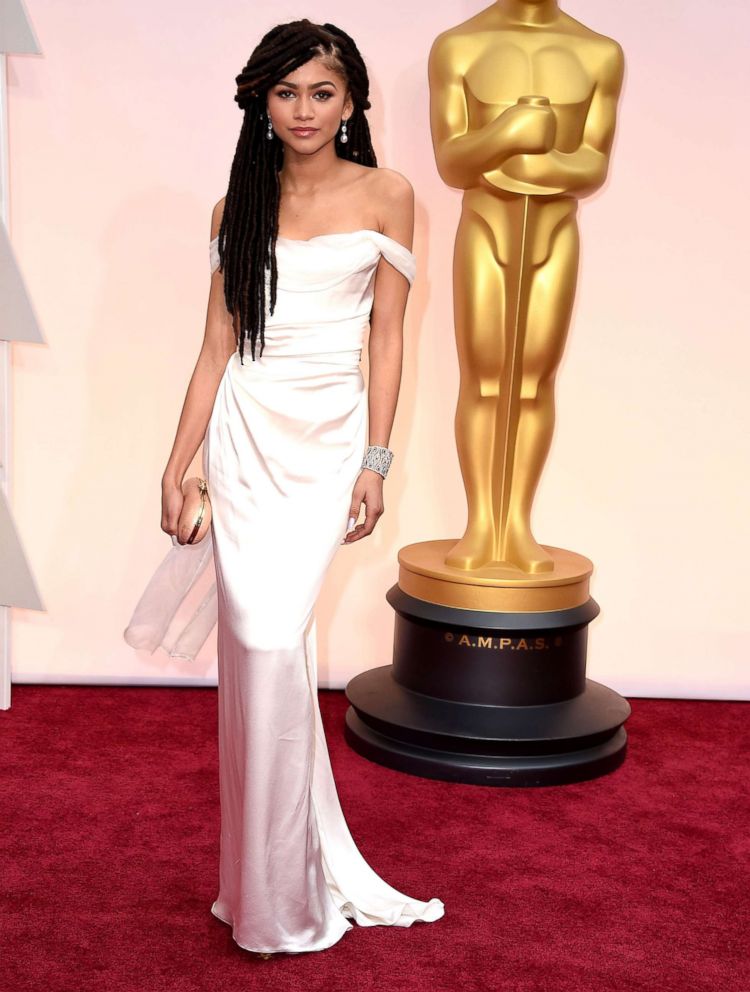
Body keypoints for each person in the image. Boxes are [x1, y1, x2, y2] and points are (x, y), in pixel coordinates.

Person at [124, 19, 444, 956]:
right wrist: (177, 464)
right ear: (260, 102)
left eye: (322, 92)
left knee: (274, 643)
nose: (304, 110)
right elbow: (217, 347)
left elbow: (387, 337)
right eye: (286, 92)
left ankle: (282, 884)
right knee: (261, 652)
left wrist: (375, 462)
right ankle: (264, 887)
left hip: (328, 441)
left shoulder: (389, 194)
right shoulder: (237, 208)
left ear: (351, 103)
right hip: (247, 438)